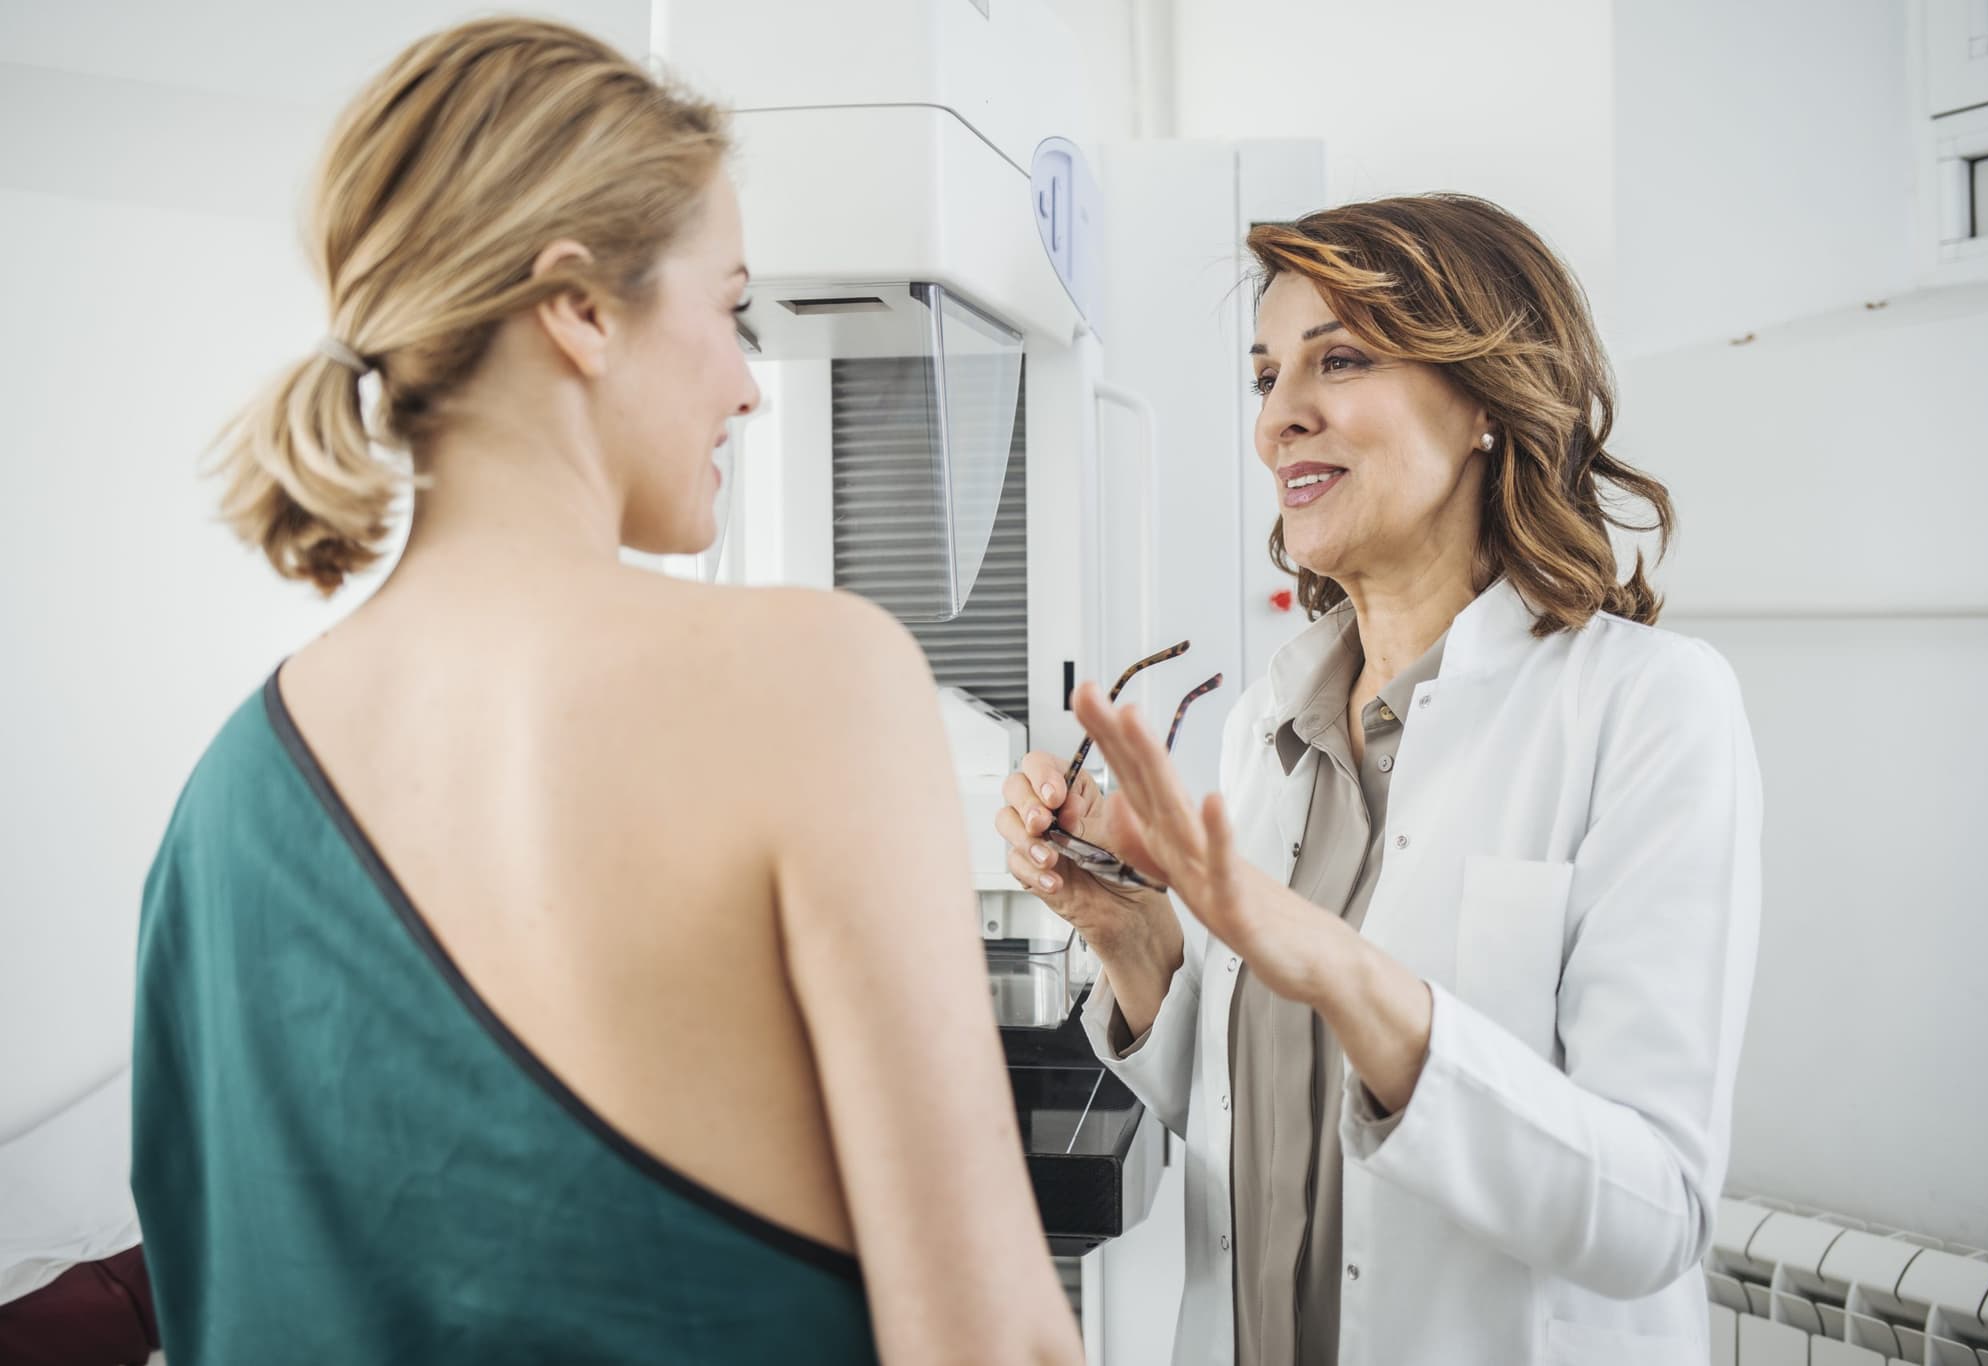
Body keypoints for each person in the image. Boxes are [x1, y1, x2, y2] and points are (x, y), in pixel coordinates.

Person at [130, 19, 1080, 1365]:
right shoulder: (820, 681)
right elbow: (994, 1348)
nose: (747, 385)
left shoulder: (223, 797)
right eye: (729, 307)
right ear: (577, 305)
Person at [999, 195, 1762, 1365]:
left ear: (1484, 405)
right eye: (1263, 378)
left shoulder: (1646, 705)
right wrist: (1133, 934)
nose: (1276, 422)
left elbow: (1648, 1211)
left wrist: (1346, 971)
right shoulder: (1270, 721)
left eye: (1338, 360)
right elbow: (1243, 1111)